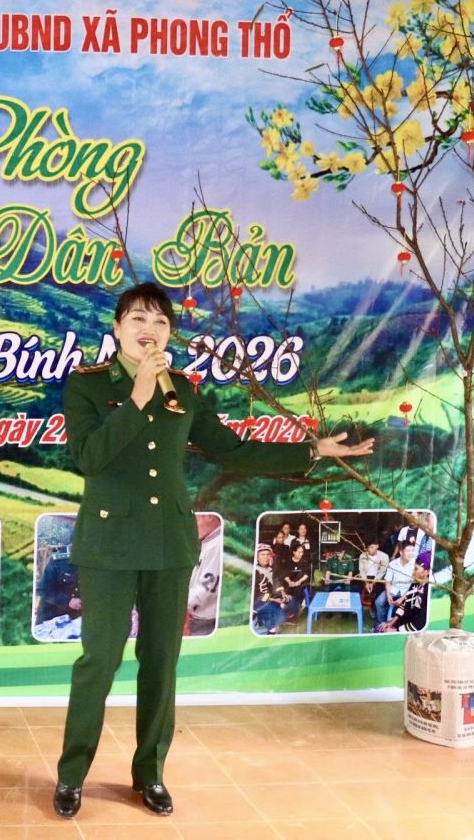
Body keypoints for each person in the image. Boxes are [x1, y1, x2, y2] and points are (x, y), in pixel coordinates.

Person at [52, 281, 373, 820]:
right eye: (138, 319)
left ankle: (150, 774)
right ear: (117, 328)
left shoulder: (182, 388)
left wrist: (312, 450)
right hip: (108, 545)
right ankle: (71, 776)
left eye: (160, 322)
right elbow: (89, 457)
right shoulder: (86, 385)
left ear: (169, 333)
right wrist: (138, 397)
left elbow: (231, 450)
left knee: (161, 663)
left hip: (170, 543)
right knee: (98, 662)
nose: (149, 330)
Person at [376, 541, 419, 624]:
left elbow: (413, 585)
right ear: (401, 552)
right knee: (379, 602)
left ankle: (395, 625)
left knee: (406, 607)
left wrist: (402, 598)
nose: (411, 553)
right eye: (408, 551)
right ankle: (381, 624)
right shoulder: (392, 564)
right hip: (393, 589)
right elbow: (388, 581)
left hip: (407, 591)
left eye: (413, 550)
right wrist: (388, 595)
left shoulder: (415, 566)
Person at [379, 563, 430, 632]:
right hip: (406, 622)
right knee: (381, 629)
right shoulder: (415, 584)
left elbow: (421, 621)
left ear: (427, 571)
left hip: (416, 629)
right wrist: (391, 623)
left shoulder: (428, 591)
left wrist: (396, 631)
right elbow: (404, 604)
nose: (412, 573)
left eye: (416, 569)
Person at [36, 551, 82, 624]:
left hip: (76, 619)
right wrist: (68, 601)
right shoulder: (59, 562)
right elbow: (42, 589)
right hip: (51, 617)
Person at [250, 546, 288, 635]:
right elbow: (255, 594)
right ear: (257, 557)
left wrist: (282, 593)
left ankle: (273, 628)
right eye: (262, 555)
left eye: (267, 554)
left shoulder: (271, 569)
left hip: (269, 597)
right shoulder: (254, 571)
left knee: (286, 603)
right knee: (275, 612)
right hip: (257, 600)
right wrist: (273, 599)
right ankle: (271, 632)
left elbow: (276, 583)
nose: (265, 557)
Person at [277, 543, 312, 619]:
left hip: (301, 584)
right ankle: (287, 607)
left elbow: (307, 574)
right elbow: (284, 574)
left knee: (297, 593)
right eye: (299, 552)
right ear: (294, 552)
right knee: (285, 591)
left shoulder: (305, 562)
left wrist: (299, 582)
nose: (301, 554)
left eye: (302, 552)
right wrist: (290, 582)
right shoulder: (287, 562)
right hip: (289, 583)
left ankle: (291, 610)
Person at [356, 539, 390, 611]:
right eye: (368, 547)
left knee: (379, 591)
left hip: (378, 578)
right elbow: (361, 571)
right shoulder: (363, 555)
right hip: (365, 577)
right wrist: (366, 582)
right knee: (357, 589)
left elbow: (382, 572)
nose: (369, 549)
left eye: (372, 547)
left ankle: (374, 608)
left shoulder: (384, 556)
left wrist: (373, 583)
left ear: (377, 546)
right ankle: (358, 607)